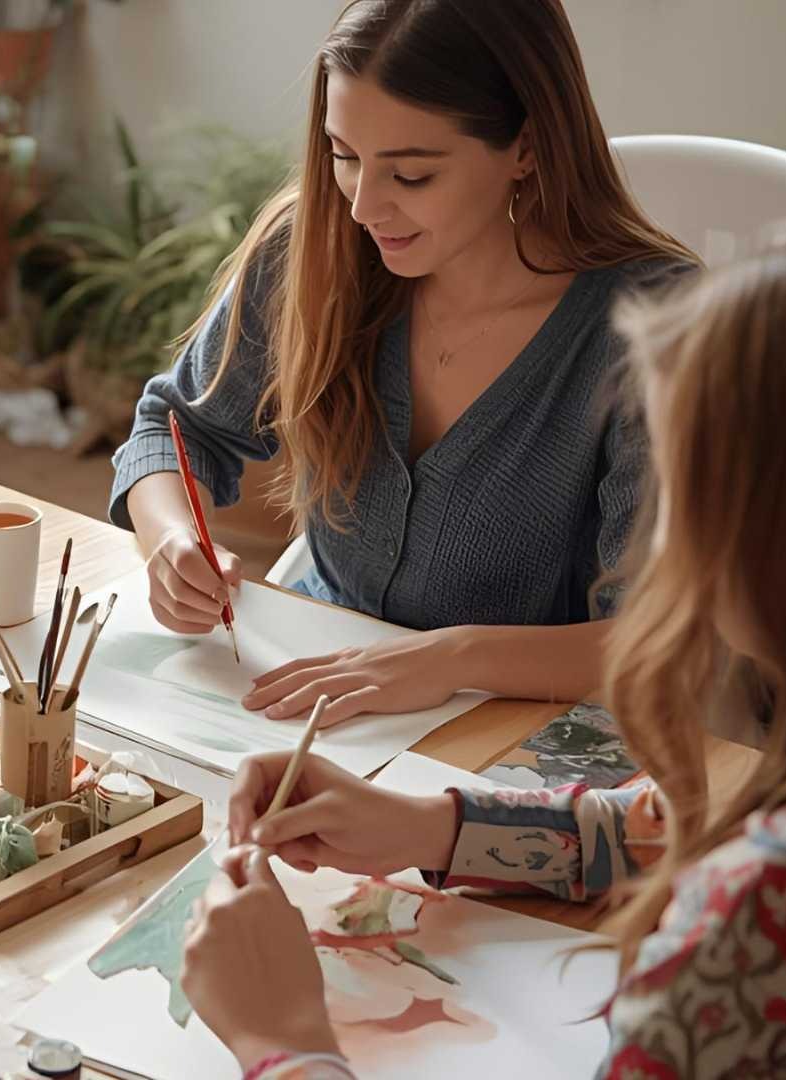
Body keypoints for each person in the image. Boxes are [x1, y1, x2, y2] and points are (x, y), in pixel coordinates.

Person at [180, 232, 786, 1078]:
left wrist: (280, 1041)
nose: (658, 540)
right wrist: (432, 827)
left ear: (782, 548)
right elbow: (665, 829)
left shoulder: (773, 916)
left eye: (682, 489)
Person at [112, 0, 695, 729]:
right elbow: (172, 431)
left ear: (527, 146)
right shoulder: (315, 244)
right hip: (318, 694)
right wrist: (172, 539)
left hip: (531, 733)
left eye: (412, 175)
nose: (361, 208)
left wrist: (451, 660)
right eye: (344, 156)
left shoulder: (656, 330)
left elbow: (659, 643)